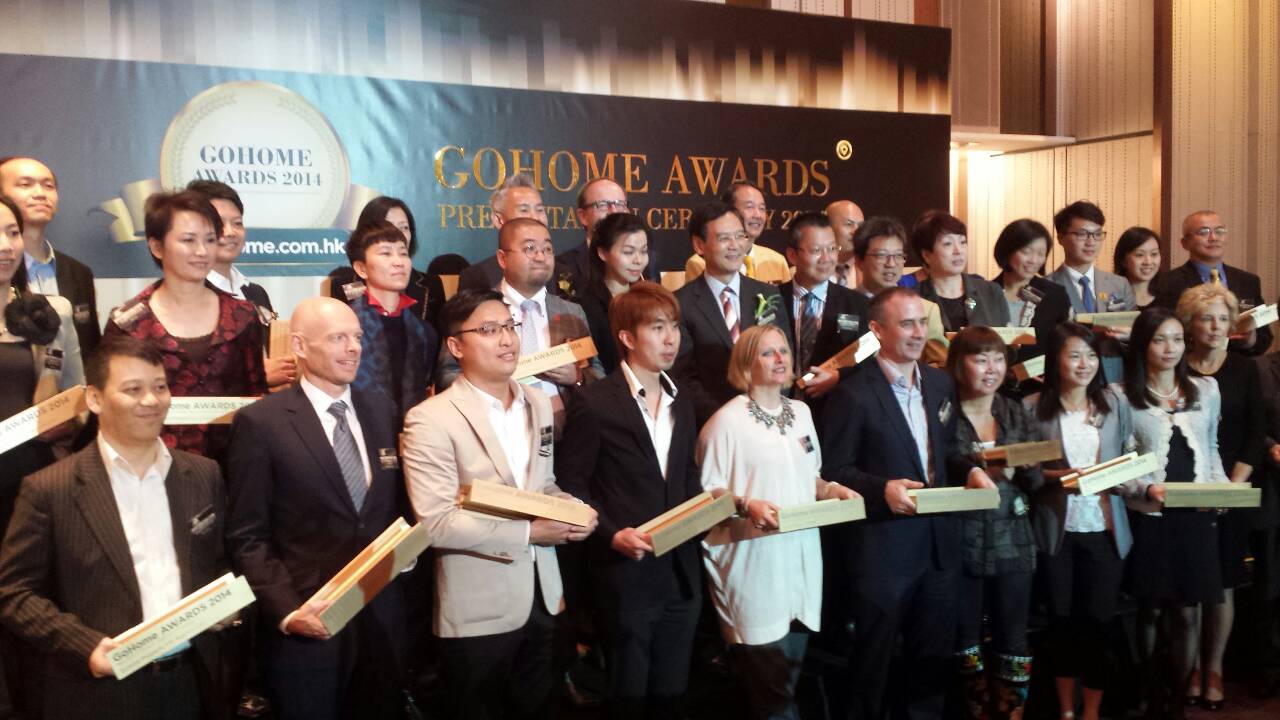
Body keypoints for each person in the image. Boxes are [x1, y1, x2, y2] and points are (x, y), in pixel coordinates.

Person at [0, 335, 231, 719]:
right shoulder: (50, 489)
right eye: (133, 389)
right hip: (98, 694)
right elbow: (13, 592)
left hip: (193, 682)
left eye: (160, 387)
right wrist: (84, 646)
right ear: (94, 399)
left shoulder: (203, 474)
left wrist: (222, 606)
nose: (151, 400)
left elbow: (218, 561)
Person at [402, 289, 599, 720]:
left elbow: (543, 485)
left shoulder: (537, 403)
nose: (507, 339)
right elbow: (436, 523)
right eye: (489, 330)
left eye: (510, 326)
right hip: (478, 610)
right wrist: (530, 532)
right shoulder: (430, 418)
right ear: (456, 346)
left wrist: (572, 510)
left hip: (546, 599)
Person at [225, 297, 410, 720]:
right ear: (300, 346)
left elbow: (390, 508)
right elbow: (247, 536)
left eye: (357, 337)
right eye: (338, 338)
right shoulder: (261, 423)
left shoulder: (380, 408)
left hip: (383, 622)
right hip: (307, 625)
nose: (353, 348)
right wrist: (288, 612)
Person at [820, 287, 994, 719]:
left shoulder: (940, 383)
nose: (918, 333)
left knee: (931, 667)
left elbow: (948, 449)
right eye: (906, 324)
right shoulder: (852, 393)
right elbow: (835, 470)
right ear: (877, 330)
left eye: (921, 323)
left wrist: (970, 470)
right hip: (883, 551)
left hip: (938, 547)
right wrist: (882, 490)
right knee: (872, 669)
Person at [554, 282, 702, 719]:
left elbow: (687, 478)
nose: (670, 338)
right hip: (625, 576)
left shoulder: (683, 400)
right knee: (629, 695)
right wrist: (611, 534)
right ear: (626, 337)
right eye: (657, 328)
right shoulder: (595, 403)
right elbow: (573, 485)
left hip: (682, 574)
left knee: (673, 694)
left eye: (674, 326)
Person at [699, 324, 860, 720]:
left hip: (801, 564)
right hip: (753, 567)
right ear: (745, 363)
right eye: (767, 352)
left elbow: (811, 475)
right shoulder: (725, 422)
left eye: (784, 351)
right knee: (772, 694)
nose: (780, 359)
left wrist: (832, 489)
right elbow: (707, 495)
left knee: (788, 681)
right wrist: (746, 503)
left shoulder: (802, 413)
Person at [0, 194, 85, 718]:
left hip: (33, 485)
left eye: (11, 232)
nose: (4, 245)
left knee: (33, 611)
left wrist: (64, 414)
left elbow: (77, 399)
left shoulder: (49, 311)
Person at [103, 191, 265, 464]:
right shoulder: (129, 323)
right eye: (188, 240)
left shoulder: (243, 315)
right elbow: (113, 406)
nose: (202, 251)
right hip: (154, 466)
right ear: (157, 247)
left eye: (210, 240)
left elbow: (257, 397)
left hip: (235, 465)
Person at [1027, 322, 1138, 720]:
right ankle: (1065, 710)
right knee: (1061, 623)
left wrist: (1129, 478)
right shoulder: (1032, 407)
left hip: (1105, 530)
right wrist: (1060, 478)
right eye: (1074, 355)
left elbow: (1129, 453)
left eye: (1091, 356)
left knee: (1100, 624)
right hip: (1056, 531)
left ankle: (1091, 711)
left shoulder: (1114, 402)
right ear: (1055, 360)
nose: (1084, 364)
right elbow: (1028, 475)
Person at [1122, 306, 1228, 719]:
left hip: (1196, 514)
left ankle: (1178, 700)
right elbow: (1120, 460)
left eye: (1177, 339)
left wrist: (1221, 488)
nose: (1170, 348)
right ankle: (1147, 691)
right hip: (1151, 514)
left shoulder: (1206, 389)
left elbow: (1212, 447)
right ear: (1143, 345)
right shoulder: (1121, 396)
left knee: (1188, 611)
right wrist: (1143, 489)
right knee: (1150, 608)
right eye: (1159, 339)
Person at [946, 327, 1044, 719]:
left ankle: (1011, 714)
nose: (991, 368)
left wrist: (1028, 467)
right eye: (980, 359)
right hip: (960, 538)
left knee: (1014, 638)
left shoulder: (1014, 411)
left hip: (1013, 538)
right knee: (965, 640)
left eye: (999, 359)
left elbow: (1036, 481)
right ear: (959, 365)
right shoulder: (942, 412)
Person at [1178, 285, 1266, 709]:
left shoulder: (1246, 369)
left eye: (1223, 319)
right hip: (1184, 488)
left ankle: (1214, 669)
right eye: (1206, 318)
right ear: (1190, 324)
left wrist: (1232, 486)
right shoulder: (1175, 363)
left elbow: (1255, 433)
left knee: (1225, 584)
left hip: (1234, 485)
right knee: (1191, 585)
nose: (1215, 327)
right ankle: (1190, 668)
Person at [434, 218, 603, 430]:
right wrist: (492, 384)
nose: (541, 256)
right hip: (497, 429)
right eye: (530, 248)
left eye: (547, 249)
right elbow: (447, 374)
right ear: (502, 258)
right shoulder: (475, 309)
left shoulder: (571, 311)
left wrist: (577, 377)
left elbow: (597, 372)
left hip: (568, 432)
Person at [186, 179, 297, 390]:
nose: (230, 232)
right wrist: (256, 376)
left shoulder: (255, 292)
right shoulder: (190, 294)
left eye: (237, 223)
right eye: (219, 223)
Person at [343, 221, 439, 431]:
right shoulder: (344, 326)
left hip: (414, 439)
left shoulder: (424, 332)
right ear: (361, 268)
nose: (399, 262)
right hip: (357, 436)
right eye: (386, 253)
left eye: (403, 253)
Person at [0, 156, 100, 355]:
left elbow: (91, 349)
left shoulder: (79, 273)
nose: (40, 194)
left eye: (48, 186)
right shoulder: (4, 272)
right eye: (25, 184)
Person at [777, 211, 870, 404]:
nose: (826, 258)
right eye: (816, 250)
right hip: (779, 405)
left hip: (835, 406)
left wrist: (838, 376)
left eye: (832, 249)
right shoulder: (772, 298)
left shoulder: (856, 304)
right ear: (792, 255)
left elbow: (868, 356)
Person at [1153, 210, 1273, 355]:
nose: (1214, 237)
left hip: (1239, 363)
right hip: (1191, 363)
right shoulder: (1169, 283)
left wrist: (1250, 342)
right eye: (1204, 232)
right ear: (1185, 243)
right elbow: (1162, 334)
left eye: (1219, 231)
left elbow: (1265, 336)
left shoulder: (1248, 281)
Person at [1046, 201, 1135, 383]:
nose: (1091, 242)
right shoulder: (1046, 287)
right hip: (1068, 380)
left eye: (1097, 234)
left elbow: (1136, 336)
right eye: (1082, 234)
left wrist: (1128, 335)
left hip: (1115, 379)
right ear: (1061, 237)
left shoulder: (1119, 284)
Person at [851, 216, 948, 366]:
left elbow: (939, 364)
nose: (891, 264)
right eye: (881, 255)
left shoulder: (925, 309)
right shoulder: (841, 304)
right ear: (858, 261)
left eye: (898, 256)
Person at [327, 197, 432, 324]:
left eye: (404, 227)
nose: (397, 234)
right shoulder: (347, 286)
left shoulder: (431, 285)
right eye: (387, 226)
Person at [575, 212, 652, 374]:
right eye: (628, 252)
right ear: (603, 253)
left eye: (644, 251)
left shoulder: (651, 297)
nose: (638, 260)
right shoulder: (586, 306)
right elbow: (591, 367)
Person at [556, 177, 657, 298]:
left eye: (620, 204)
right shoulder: (564, 266)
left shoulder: (648, 262)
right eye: (602, 205)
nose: (613, 212)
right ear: (583, 216)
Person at [912, 211, 1009, 331]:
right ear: (927, 255)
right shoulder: (914, 298)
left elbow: (1007, 338)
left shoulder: (991, 292)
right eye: (947, 244)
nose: (958, 251)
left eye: (962, 242)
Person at [458, 173, 551, 293]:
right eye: (524, 210)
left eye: (540, 210)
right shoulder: (476, 278)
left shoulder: (563, 272)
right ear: (498, 220)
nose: (535, 217)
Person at [685, 182, 791, 284]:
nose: (758, 215)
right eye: (749, 207)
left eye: (762, 208)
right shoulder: (703, 263)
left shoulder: (777, 261)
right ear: (728, 211)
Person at [1252, 349, 1280, 697]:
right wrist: (1271, 447)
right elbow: (1249, 423)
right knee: (1270, 585)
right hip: (1273, 492)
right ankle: (1268, 667)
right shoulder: (1260, 368)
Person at [1113, 226, 1162, 309]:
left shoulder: (1169, 295)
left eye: (1154, 254)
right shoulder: (1113, 296)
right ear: (1123, 260)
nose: (1148, 262)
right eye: (1140, 255)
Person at [824, 199, 865, 287]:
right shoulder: (803, 274)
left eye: (860, 226)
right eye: (849, 224)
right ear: (828, 228)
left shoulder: (870, 272)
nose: (856, 231)